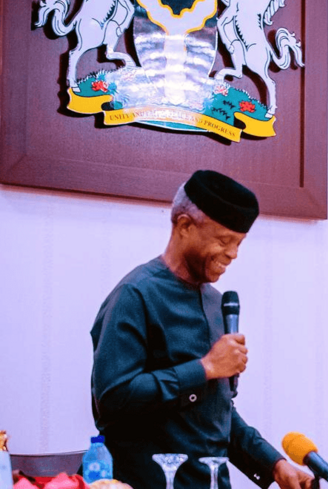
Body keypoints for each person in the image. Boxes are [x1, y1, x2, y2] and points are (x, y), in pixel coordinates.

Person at [91, 170, 314, 489]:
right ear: (184, 225)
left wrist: (274, 465)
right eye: (224, 240)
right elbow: (113, 398)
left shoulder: (215, 303)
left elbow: (215, 413)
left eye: (239, 243)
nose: (233, 254)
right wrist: (205, 368)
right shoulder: (135, 294)